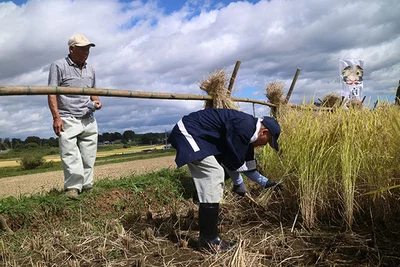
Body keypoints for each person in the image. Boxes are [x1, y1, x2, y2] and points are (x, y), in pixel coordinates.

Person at [168, 108, 281, 251]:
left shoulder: (248, 134)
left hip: (198, 135)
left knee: (217, 172)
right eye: (268, 141)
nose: (265, 145)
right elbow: (232, 163)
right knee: (213, 173)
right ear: (264, 133)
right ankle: (209, 239)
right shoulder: (244, 127)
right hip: (190, 132)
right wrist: (238, 183)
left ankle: (211, 222)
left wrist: (266, 183)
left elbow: (244, 166)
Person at [47, 33, 102, 199]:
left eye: (88, 49)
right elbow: (51, 93)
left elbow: (94, 92)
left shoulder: (91, 68)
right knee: (70, 154)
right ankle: (72, 188)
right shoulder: (58, 66)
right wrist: (56, 117)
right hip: (67, 117)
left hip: (88, 117)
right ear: (71, 49)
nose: (86, 53)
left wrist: (97, 102)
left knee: (88, 154)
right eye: (82, 49)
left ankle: (87, 185)